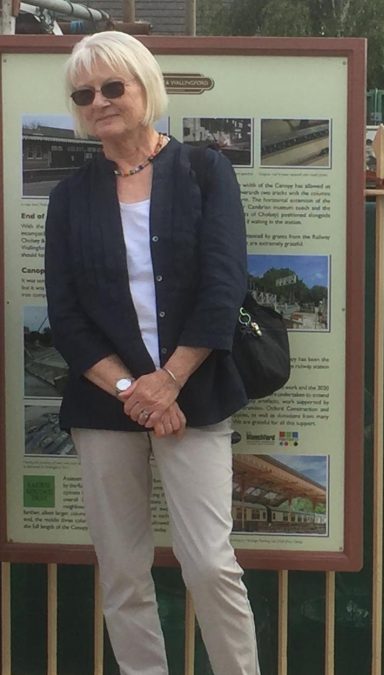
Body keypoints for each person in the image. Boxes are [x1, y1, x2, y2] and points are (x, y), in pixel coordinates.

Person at [43, 31, 260, 675]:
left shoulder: (203, 171)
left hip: (193, 392)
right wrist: (131, 392)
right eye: (85, 94)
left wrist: (167, 383)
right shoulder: (68, 197)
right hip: (106, 402)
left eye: (114, 87)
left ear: (145, 88)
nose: (100, 101)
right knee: (123, 572)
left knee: (210, 564)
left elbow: (225, 287)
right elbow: (68, 317)